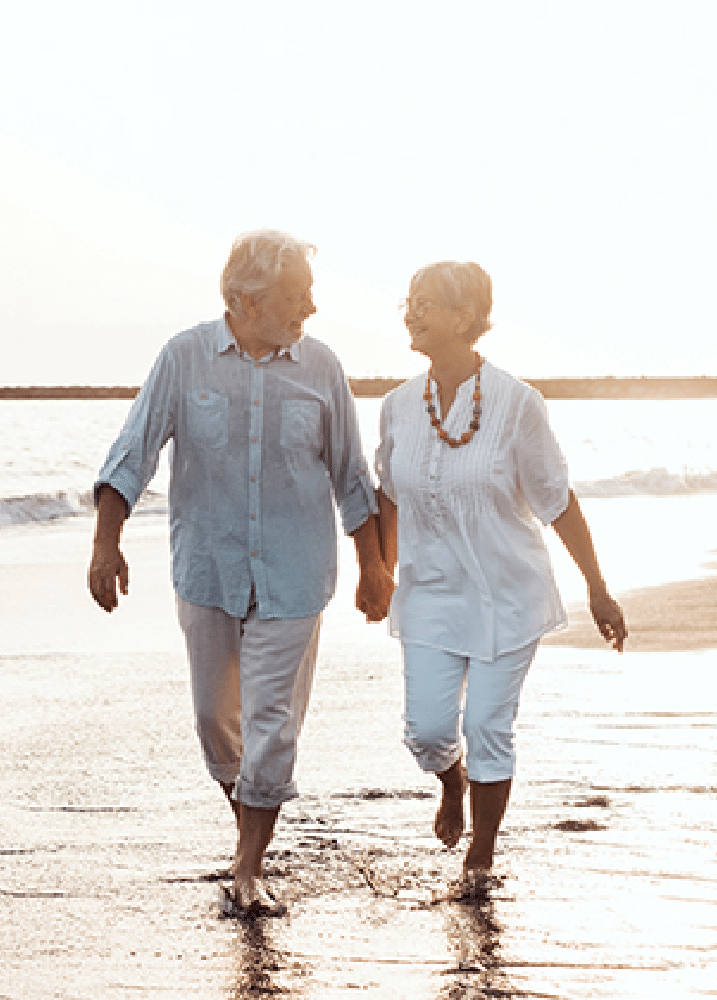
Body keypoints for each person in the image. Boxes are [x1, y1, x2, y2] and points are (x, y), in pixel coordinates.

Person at [88, 229, 394, 915]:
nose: (311, 308)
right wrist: (107, 544)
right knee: (214, 722)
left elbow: (352, 477)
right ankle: (253, 818)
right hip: (208, 569)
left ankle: (249, 866)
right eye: (297, 296)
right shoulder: (185, 357)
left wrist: (373, 567)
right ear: (248, 299)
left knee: (272, 724)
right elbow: (132, 453)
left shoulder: (322, 367)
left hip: (296, 575)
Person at [375, 260, 627, 881]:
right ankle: (451, 782)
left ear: (465, 317)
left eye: (426, 303)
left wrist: (598, 588)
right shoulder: (398, 406)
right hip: (431, 595)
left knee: (489, 725)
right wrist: (377, 568)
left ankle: (480, 859)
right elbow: (389, 493)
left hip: (508, 594)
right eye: (409, 301)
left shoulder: (517, 404)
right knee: (427, 731)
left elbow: (557, 500)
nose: (411, 313)